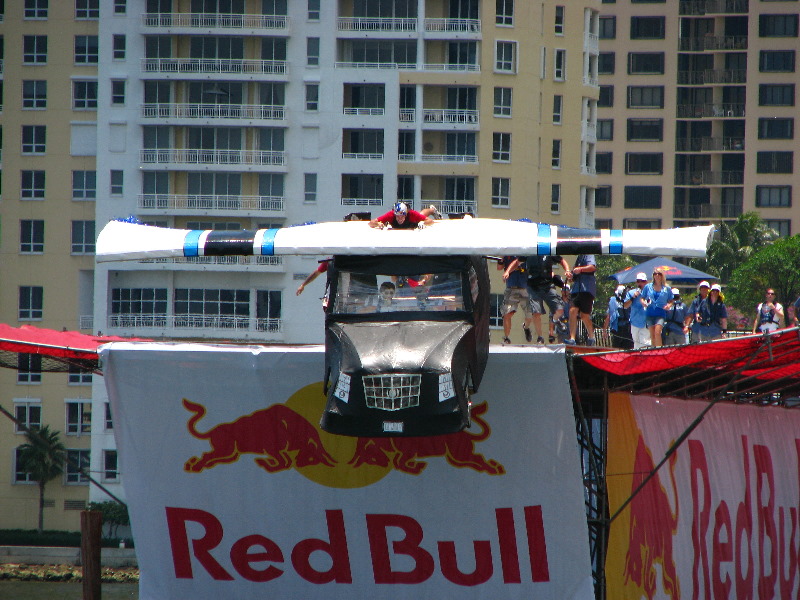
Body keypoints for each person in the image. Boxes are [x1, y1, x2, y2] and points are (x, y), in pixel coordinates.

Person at [525, 254, 571, 344]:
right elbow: (516, 261)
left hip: (547, 287)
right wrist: (507, 271)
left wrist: (567, 270)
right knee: (534, 314)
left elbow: (562, 260)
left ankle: (554, 322)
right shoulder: (529, 253)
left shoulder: (548, 253)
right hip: (533, 288)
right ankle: (533, 332)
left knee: (559, 310)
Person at [498, 256, 535, 345]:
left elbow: (517, 262)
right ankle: (506, 337)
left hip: (525, 288)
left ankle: (526, 327)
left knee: (529, 316)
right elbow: (499, 267)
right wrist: (501, 259)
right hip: (511, 287)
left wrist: (507, 271)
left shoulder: (524, 252)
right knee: (507, 313)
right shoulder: (507, 254)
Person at [564, 254, 596, 346]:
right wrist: (570, 276)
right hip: (576, 289)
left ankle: (591, 337)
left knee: (584, 315)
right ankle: (572, 338)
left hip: (587, 289)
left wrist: (580, 269)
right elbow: (574, 277)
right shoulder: (578, 258)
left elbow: (592, 267)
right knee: (572, 311)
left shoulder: (588, 255)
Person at [641, 269, 673, 348]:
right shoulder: (648, 287)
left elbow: (671, 300)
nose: (657, 275)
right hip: (650, 313)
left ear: (662, 276)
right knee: (652, 334)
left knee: (657, 332)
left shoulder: (666, 288)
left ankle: (659, 350)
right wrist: (643, 303)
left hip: (660, 313)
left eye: (659, 274)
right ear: (653, 275)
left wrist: (668, 305)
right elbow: (642, 297)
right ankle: (654, 350)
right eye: (655, 274)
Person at [624, 273, 651, 349]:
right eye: (638, 281)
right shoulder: (631, 293)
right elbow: (625, 306)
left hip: (646, 322)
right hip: (635, 322)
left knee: (645, 343)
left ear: (646, 282)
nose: (640, 283)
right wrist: (633, 297)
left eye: (642, 281)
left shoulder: (650, 293)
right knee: (636, 343)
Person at [604, 285, 633, 349]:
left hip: (618, 329)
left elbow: (608, 317)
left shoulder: (613, 301)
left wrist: (604, 330)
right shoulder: (629, 301)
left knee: (616, 349)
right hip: (627, 328)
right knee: (628, 348)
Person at [369, 202, 436, 229]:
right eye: (398, 216)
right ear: (395, 214)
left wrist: (423, 223)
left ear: (406, 215)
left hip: (413, 220)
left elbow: (430, 221)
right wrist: (378, 224)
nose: (400, 218)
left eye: (402, 216)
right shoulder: (390, 215)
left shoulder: (411, 214)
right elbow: (371, 223)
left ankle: (432, 210)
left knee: (421, 214)